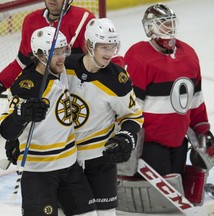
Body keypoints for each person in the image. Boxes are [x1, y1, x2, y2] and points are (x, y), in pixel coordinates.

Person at [118, 3, 214, 213]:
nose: (168, 27)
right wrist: (128, 139)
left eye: (171, 22)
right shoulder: (138, 56)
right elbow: (130, 106)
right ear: (150, 28)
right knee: (163, 202)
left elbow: (196, 98)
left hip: (178, 140)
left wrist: (202, 130)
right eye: (163, 23)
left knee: (176, 190)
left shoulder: (188, 53)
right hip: (151, 143)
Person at [0, 26, 97, 216]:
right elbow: (6, 130)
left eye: (63, 51)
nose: (62, 58)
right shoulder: (27, 84)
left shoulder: (62, 70)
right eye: (56, 53)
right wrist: (22, 114)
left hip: (69, 166)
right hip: (39, 172)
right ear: (40, 55)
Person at [59, 18, 144, 216]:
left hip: (100, 159)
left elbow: (133, 117)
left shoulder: (117, 79)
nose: (109, 54)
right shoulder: (65, 67)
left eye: (113, 47)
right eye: (104, 47)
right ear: (89, 45)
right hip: (65, 158)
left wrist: (127, 138)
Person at [0, 0, 95, 106]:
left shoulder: (84, 19)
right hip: (44, 98)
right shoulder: (31, 21)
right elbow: (21, 63)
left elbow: (100, 61)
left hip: (77, 97)